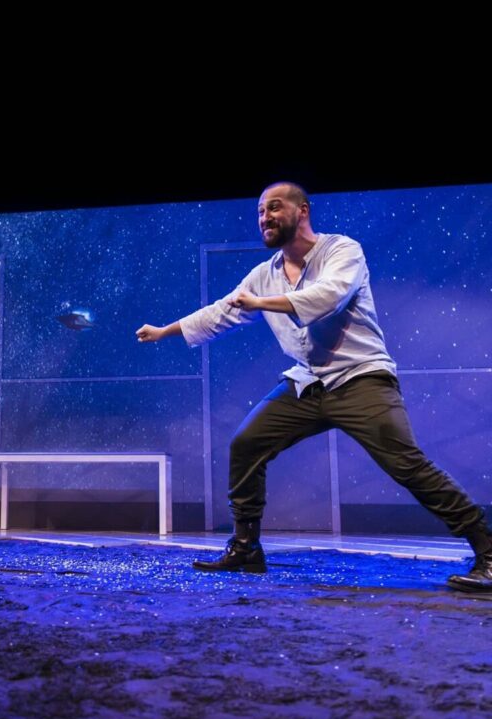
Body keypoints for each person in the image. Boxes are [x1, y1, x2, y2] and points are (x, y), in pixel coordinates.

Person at [136, 182, 491, 592]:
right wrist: (164, 331)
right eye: (260, 212)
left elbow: (327, 297)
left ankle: (488, 550)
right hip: (308, 382)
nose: (265, 218)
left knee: (406, 465)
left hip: (360, 378)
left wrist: (260, 303)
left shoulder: (342, 250)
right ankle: (246, 548)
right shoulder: (265, 274)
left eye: (274, 208)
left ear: (302, 210)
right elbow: (222, 313)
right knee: (247, 444)